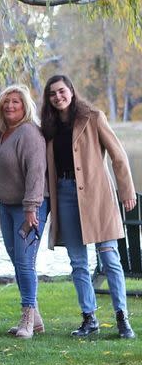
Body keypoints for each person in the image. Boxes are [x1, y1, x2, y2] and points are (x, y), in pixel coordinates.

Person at [41, 75, 136, 339]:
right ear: (48, 98)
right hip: (66, 195)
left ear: (71, 91)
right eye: (52, 94)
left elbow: (118, 155)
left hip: (98, 198)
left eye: (62, 91)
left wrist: (126, 191)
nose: (58, 97)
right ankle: (89, 318)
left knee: (110, 259)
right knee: (78, 263)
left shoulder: (93, 117)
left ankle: (122, 319)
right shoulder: (48, 127)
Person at [0, 84, 48, 339]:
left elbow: (36, 174)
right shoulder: (4, 133)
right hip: (6, 206)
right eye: (7, 101)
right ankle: (35, 320)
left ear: (25, 106)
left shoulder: (29, 133)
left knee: (25, 263)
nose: (11, 105)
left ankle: (27, 318)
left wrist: (31, 208)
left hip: (28, 208)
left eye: (16, 101)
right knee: (17, 261)